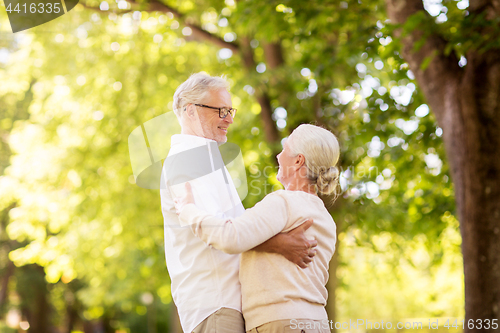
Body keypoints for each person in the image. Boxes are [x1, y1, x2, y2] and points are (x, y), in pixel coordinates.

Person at [160, 73, 318, 333]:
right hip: (216, 303)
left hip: (229, 302)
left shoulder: (205, 159)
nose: (230, 118)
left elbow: (239, 227)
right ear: (190, 111)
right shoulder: (187, 160)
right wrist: (280, 244)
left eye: (230, 110)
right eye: (221, 110)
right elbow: (217, 230)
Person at [174, 124, 340, 333]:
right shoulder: (325, 218)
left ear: (298, 161)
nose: (279, 156)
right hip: (317, 323)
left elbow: (230, 236)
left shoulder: (284, 202)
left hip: (281, 322)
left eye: (285, 149)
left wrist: (189, 211)